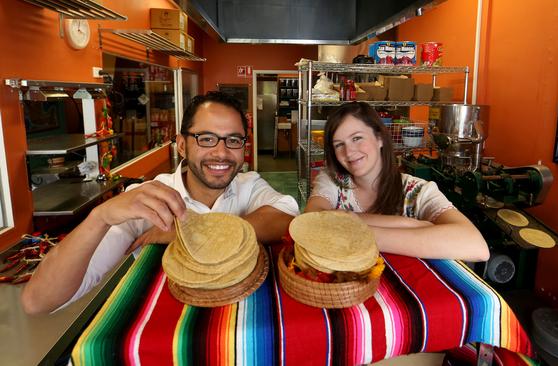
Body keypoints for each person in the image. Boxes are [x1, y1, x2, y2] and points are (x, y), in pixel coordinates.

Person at [22, 92, 299, 315]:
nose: (221, 152)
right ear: (181, 145)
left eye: (234, 140)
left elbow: (286, 216)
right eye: (206, 138)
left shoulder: (247, 185)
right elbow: (38, 301)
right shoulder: (147, 200)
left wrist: (189, 231)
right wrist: (99, 217)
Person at [305, 102, 489, 261]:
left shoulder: (417, 191)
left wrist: (354, 227)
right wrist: (408, 224)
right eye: (339, 144)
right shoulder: (332, 181)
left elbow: (476, 246)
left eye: (357, 138)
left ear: (379, 138)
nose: (349, 152)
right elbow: (312, 220)